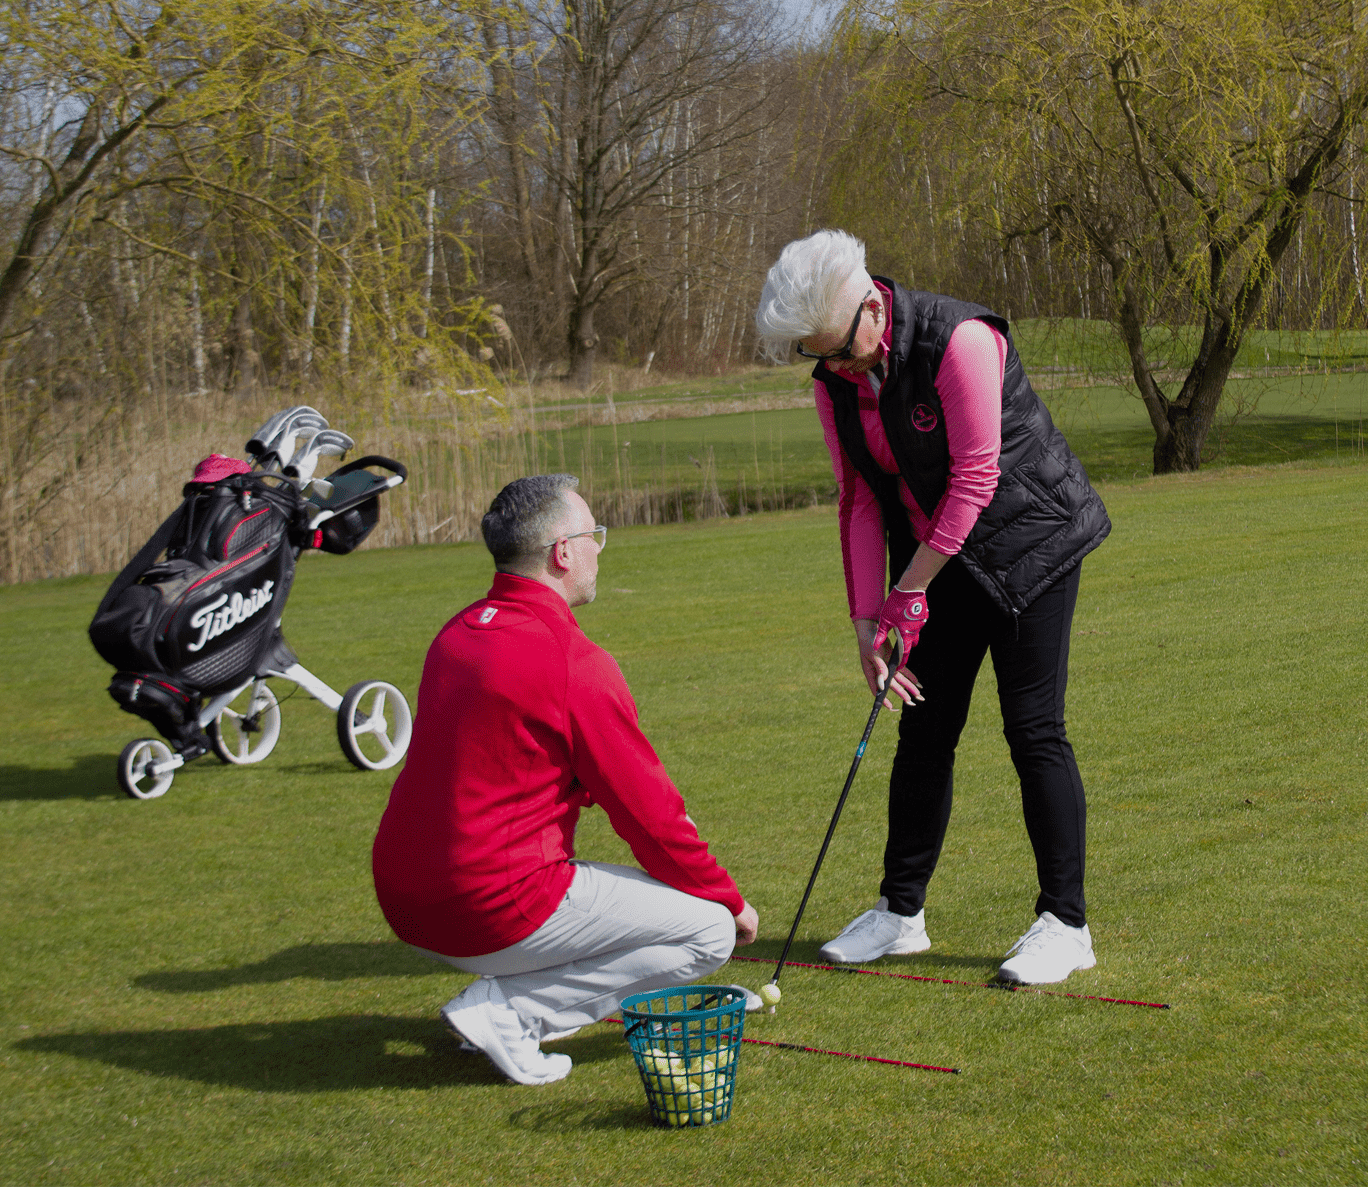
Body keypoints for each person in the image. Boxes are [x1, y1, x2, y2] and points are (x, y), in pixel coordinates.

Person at [754, 230, 1112, 985]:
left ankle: (1065, 923)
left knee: (1033, 728)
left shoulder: (961, 339)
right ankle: (899, 912)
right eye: (816, 357)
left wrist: (907, 590)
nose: (833, 368)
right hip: (938, 554)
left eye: (838, 350)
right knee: (923, 728)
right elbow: (856, 498)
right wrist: (865, 624)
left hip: (1030, 544)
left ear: (870, 311)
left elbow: (977, 479)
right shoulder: (836, 379)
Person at [370, 475, 759, 1085]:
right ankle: (510, 1012)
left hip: (402, 898)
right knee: (706, 932)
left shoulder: (459, 630)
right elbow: (650, 816)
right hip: (487, 904)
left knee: (640, 903)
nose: (600, 548)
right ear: (563, 551)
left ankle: (516, 1003)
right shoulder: (572, 661)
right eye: (594, 535)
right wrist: (729, 901)